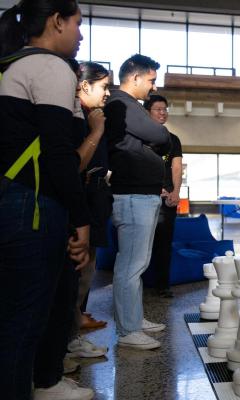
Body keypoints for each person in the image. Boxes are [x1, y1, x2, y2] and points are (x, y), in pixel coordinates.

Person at [0, 1, 93, 399]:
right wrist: (81, 220)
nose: (81, 34)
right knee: (24, 323)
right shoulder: (51, 67)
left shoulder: (8, 65)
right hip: (33, 206)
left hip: (10, 200)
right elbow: (58, 156)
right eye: (77, 23)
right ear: (56, 21)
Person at [104, 54, 170, 350]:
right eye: (152, 81)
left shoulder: (129, 106)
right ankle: (128, 330)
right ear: (135, 78)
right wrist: (155, 137)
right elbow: (158, 134)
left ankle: (134, 318)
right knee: (130, 266)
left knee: (137, 265)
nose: (154, 88)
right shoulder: (122, 103)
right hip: (132, 196)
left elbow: (154, 137)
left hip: (141, 194)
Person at [64, 61, 112, 366]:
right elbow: (74, 165)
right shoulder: (76, 118)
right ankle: (64, 344)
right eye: (103, 86)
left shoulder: (90, 115)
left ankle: (72, 335)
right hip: (78, 203)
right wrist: (97, 130)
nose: (107, 93)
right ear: (84, 85)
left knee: (86, 273)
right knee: (74, 275)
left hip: (94, 200)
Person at [146, 94, 183, 299]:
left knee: (164, 244)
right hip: (144, 196)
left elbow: (176, 166)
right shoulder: (140, 137)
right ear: (147, 112)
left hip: (167, 200)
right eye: (158, 109)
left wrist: (175, 192)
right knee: (142, 244)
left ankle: (162, 285)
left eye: (165, 109)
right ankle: (139, 284)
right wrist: (153, 187)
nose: (163, 113)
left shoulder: (173, 139)